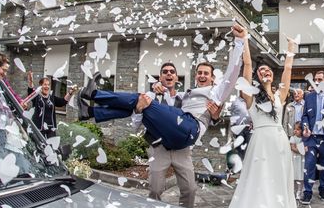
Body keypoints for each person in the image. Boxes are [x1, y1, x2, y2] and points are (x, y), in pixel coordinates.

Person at [77, 23, 246, 152]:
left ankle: (94, 94)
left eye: (206, 74)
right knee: (141, 103)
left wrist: (239, 42)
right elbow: (170, 101)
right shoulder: (185, 95)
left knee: (141, 99)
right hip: (172, 133)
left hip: (189, 129)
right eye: (199, 73)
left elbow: (232, 73)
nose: (202, 76)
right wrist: (158, 87)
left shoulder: (217, 92)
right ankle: (90, 112)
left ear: (213, 78)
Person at [225, 36, 298, 208]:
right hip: (260, 141)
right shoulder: (250, 97)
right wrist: (245, 40)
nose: (264, 71)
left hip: (279, 141)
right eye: (261, 71)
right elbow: (247, 64)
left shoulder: (279, 96)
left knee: (279, 179)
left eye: (267, 70)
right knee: (259, 179)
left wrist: (291, 49)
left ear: (272, 75)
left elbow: (288, 70)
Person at [137, 62, 200, 208]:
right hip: (159, 149)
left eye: (172, 71)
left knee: (190, 189)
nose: (169, 74)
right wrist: (142, 106)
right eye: (165, 72)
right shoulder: (150, 96)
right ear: (160, 77)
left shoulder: (185, 98)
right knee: (155, 190)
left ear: (177, 77)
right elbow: (136, 124)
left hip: (181, 151)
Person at [300, 70, 324, 205]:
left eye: (319, 79)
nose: (316, 82)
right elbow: (304, 115)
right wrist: (305, 126)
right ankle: (307, 192)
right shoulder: (309, 97)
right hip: (311, 137)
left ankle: (323, 189)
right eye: (315, 79)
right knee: (309, 165)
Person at [26, 72, 75, 138]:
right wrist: (30, 81)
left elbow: (62, 102)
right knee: (40, 147)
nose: (47, 86)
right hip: (39, 128)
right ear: (40, 86)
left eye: (48, 85)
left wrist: (70, 93)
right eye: (45, 84)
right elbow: (31, 92)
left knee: (51, 147)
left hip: (51, 128)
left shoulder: (51, 98)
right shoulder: (37, 97)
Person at [289, 122, 306, 199]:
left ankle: (299, 192)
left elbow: (305, 148)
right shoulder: (293, 138)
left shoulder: (304, 139)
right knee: (294, 176)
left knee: (300, 176)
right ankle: (294, 191)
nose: (295, 131)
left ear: (302, 130)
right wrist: (301, 150)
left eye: (298, 129)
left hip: (301, 160)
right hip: (294, 160)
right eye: (294, 129)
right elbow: (293, 148)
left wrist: (299, 148)